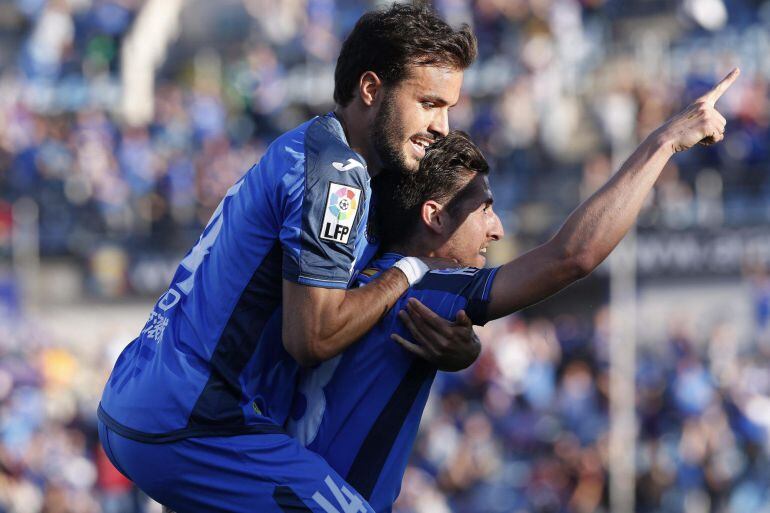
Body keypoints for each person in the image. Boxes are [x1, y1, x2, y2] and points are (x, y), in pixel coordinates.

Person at [287, 69, 739, 513]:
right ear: (434, 216)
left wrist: (467, 351)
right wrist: (664, 141)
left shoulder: (334, 279)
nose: (497, 229)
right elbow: (572, 256)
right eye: (484, 209)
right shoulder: (426, 283)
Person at [97, 4, 481, 512]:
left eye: (448, 107)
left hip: (146, 400)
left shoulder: (314, 147)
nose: (442, 126)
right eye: (429, 103)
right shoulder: (337, 174)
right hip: (193, 420)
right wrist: (413, 268)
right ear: (371, 90)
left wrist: (464, 349)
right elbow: (312, 338)